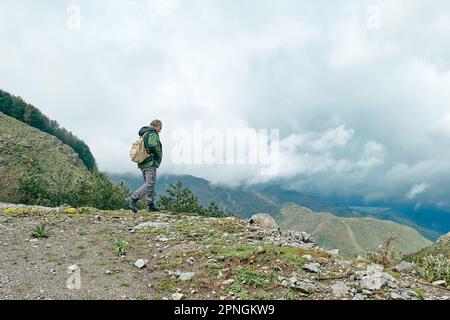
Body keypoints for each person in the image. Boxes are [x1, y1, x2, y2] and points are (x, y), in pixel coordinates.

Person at [126, 119, 163, 212]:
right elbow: (152, 145)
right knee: (150, 184)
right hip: (150, 161)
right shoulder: (152, 133)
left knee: (150, 183)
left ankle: (150, 204)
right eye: (160, 128)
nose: (160, 130)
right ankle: (133, 198)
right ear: (156, 125)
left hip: (143, 162)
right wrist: (159, 154)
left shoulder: (144, 133)